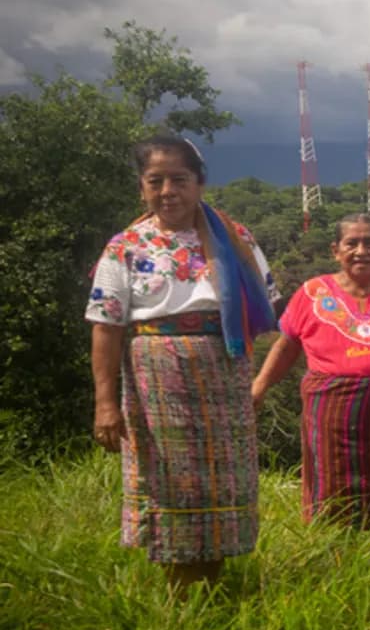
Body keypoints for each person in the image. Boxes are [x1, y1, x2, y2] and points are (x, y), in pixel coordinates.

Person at [86, 134, 279, 588]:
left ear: (200, 183)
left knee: (221, 480)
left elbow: (263, 306)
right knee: (170, 479)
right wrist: (105, 404)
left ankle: (211, 584)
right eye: (155, 181)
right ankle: (178, 589)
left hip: (223, 372)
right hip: (156, 377)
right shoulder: (126, 246)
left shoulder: (234, 239)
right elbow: (105, 326)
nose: (167, 191)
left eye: (179, 179)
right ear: (142, 187)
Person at [252, 213, 370, 528]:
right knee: (334, 497)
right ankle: (337, 553)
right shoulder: (311, 294)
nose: (361, 251)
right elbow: (286, 347)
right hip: (332, 419)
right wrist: (259, 386)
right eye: (351, 243)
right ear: (336, 251)